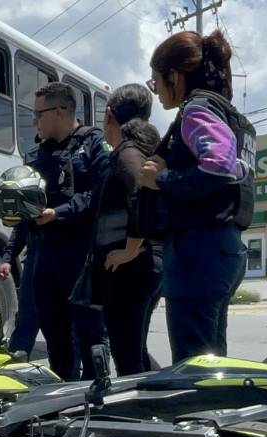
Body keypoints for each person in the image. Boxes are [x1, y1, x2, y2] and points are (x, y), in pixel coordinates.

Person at [139, 30, 255, 362]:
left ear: (173, 76)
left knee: (193, 362)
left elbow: (218, 166)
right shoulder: (228, 115)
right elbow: (233, 169)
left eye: (155, 82)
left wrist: (161, 178)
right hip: (223, 247)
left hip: (198, 251)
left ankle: (200, 414)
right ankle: (217, 411)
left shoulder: (196, 109)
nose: (157, 91)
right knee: (211, 357)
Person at [22, 82, 112, 380]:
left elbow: (100, 194)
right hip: (44, 256)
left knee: (90, 336)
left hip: (82, 256)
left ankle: (99, 401)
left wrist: (58, 213)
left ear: (60, 111)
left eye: (39, 114)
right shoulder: (35, 155)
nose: (34, 122)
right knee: (55, 337)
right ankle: (64, 405)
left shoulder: (93, 143)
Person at [79, 83, 164, 376]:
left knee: (126, 356)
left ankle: (141, 420)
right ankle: (158, 404)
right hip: (146, 265)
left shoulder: (128, 153)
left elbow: (138, 189)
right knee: (135, 350)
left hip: (132, 270)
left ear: (110, 115)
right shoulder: (146, 148)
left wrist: (130, 248)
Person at [0, 221, 40, 355]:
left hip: (66, 260)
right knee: (26, 317)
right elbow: (21, 228)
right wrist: (7, 259)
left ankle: (69, 373)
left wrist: (55, 213)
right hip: (35, 258)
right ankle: (16, 362)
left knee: (66, 325)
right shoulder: (32, 202)